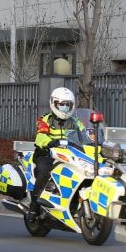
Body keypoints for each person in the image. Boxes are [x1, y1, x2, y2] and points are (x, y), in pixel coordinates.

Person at [28, 87, 85, 218]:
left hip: (69, 156)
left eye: (68, 105)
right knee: (45, 171)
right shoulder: (45, 119)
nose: (65, 107)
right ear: (54, 104)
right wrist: (50, 142)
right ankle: (34, 205)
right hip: (46, 154)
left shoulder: (75, 123)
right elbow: (40, 136)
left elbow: (85, 135)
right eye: (62, 104)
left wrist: (94, 141)